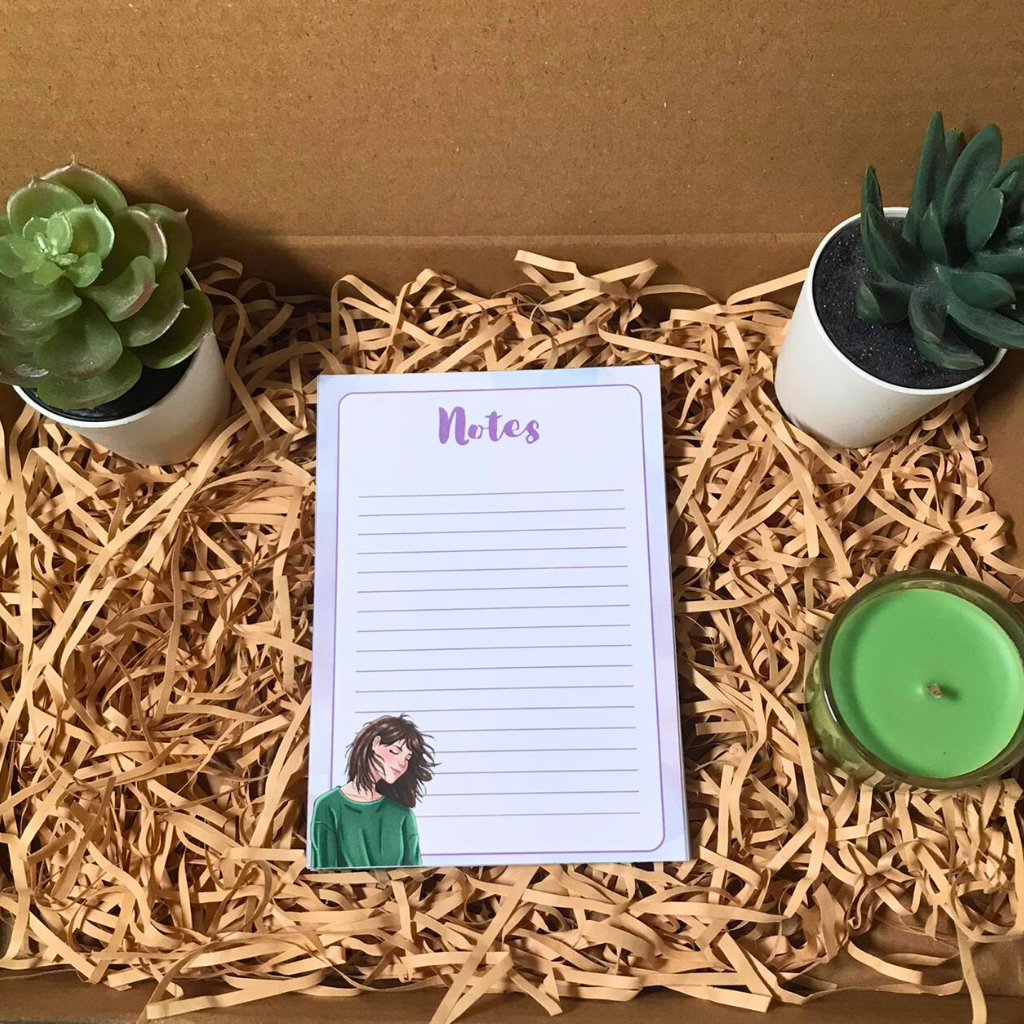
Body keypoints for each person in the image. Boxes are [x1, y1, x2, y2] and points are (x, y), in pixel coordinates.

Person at [308, 714, 436, 869]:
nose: (402, 763)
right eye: (395, 751)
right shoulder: (328, 805)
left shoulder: (403, 815)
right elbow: (323, 874)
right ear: (375, 743)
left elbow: (414, 877)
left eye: (408, 758)